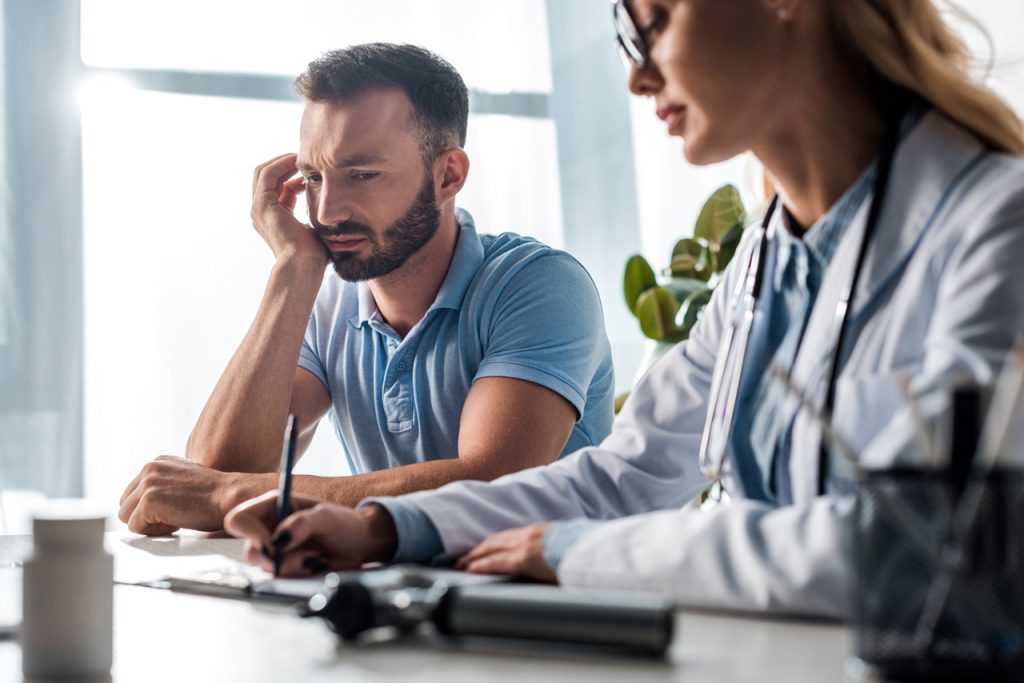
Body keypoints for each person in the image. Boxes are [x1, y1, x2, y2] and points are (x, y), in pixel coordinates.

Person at [225, 0, 1024, 617]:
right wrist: (384, 528)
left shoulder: (998, 223)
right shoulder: (764, 259)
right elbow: (625, 474)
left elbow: (923, 538)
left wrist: (577, 553)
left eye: (658, 23)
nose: (638, 78)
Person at [117, 43, 614, 536]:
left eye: (362, 175)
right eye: (313, 177)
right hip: (391, 585)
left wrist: (231, 495)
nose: (327, 212)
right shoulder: (327, 306)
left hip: (555, 585)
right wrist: (294, 269)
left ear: (448, 176)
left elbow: (491, 486)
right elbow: (217, 472)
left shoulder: (540, 285)